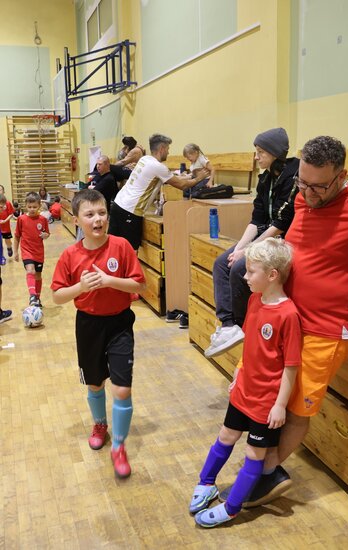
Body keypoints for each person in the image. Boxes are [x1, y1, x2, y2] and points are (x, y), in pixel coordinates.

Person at [218, 135, 348, 508]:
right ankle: (262, 471)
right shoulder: (303, 196)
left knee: (294, 409)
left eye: (318, 186)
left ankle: (264, 475)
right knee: (268, 399)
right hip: (287, 321)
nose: (307, 193)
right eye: (302, 182)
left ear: (341, 176)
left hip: (326, 330)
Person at [190, 238, 301, 527]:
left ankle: (232, 507)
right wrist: (239, 372)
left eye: (251, 271)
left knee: (254, 454)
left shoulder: (288, 315)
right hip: (243, 391)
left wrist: (279, 405)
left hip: (265, 402)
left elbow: (291, 366)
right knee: (225, 437)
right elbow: (251, 345)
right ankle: (206, 482)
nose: (245, 276)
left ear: (272, 275)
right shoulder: (254, 300)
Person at [51, 189, 146, 479]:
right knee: (94, 384)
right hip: (88, 326)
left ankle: (119, 446)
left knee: (122, 389)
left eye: (102, 213)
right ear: (76, 219)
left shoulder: (121, 246)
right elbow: (57, 296)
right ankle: (100, 424)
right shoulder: (70, 255)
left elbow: (139, 285)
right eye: (90, 214)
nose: (98, 219)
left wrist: (109, 280)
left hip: (120, 324)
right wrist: (81, 287)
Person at [205, 128, 299, 358]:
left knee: (240, 268)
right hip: (266, 236)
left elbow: (282, 222)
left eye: (260, 152)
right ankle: (228, 325)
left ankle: (242, 323)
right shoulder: (265, 179)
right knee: (222, 263)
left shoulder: (293, 174)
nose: (256, 157)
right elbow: (257, 219)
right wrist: (239, 248)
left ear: (274, 153)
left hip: (282, 239)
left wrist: (249, 250)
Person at [109, 133, 209, 250]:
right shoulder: (158, 167)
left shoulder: (145, 159)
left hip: (117, 205)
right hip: (129, 211)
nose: (168, 152)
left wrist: (189, 176)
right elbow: (182, 185)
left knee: (113, 249)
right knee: (130, 253)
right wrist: (199, 178)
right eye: (168, 149)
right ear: (162, 149)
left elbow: (172, 178)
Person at [14, 192, 49, 308]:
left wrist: (46, 235)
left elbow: (47, 233)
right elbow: (17, 236)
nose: (32, 209)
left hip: (39, 252)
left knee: (38, 275)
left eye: (34, 207)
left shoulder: (43, 219)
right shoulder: (21, 219)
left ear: (39, 205)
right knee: (30, 271)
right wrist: (15, 252)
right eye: (29, 207)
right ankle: (32, 296)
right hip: (26, 251)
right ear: (25, 206)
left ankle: (37, 298)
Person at [0, 193, 15, 258]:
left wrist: (5, 220)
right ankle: (1, 254)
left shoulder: (8, 203)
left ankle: (9, 248)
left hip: (6, 227)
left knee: (7, 240)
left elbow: (11, 214)